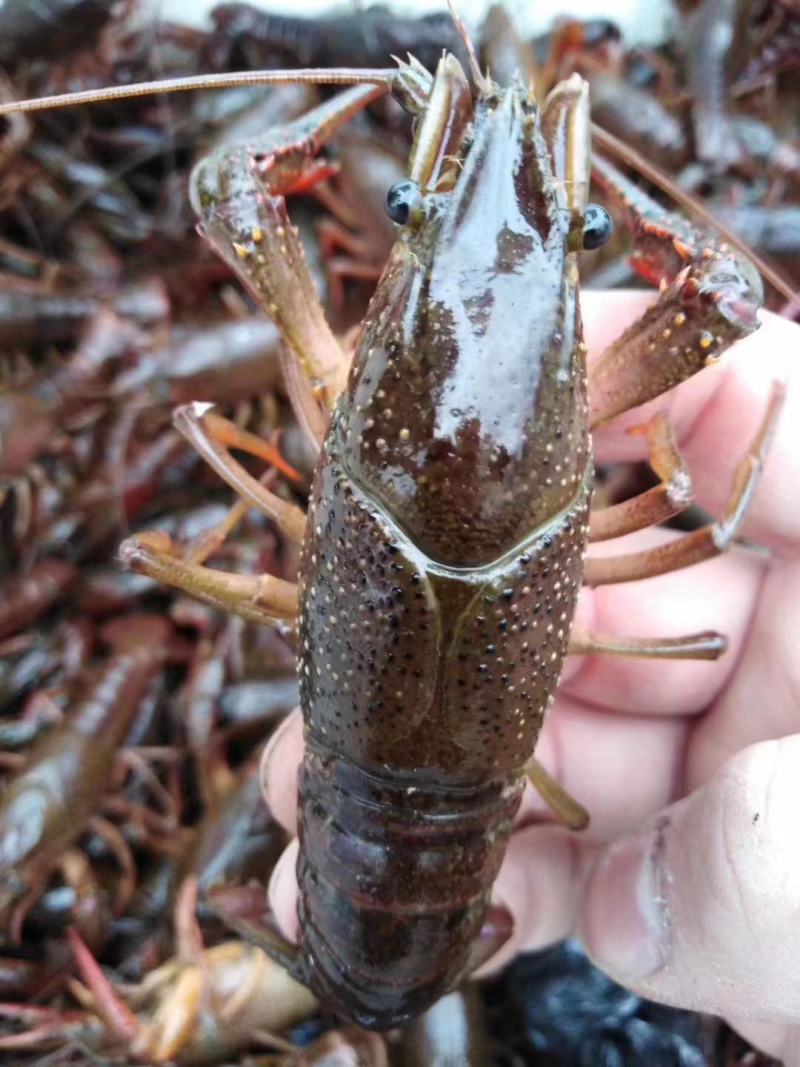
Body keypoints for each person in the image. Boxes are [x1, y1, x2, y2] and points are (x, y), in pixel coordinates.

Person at [261, 290, 800, 1066]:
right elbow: (688, 504)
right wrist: (661, 444)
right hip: (416, 831)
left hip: (385, 829)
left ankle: (362, 983)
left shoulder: (358, 405)